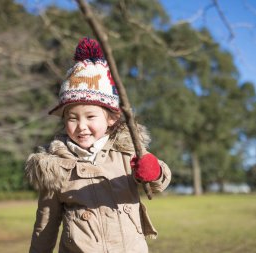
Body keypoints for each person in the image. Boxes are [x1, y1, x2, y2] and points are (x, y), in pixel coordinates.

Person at [25, 37, 171, 253]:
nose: (81, 126)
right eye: (72, 118)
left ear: (111, 118)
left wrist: (153, 171)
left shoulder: (126, 151)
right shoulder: (53, 167)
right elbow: (45, 224)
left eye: (90, 116)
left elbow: (160, 182)